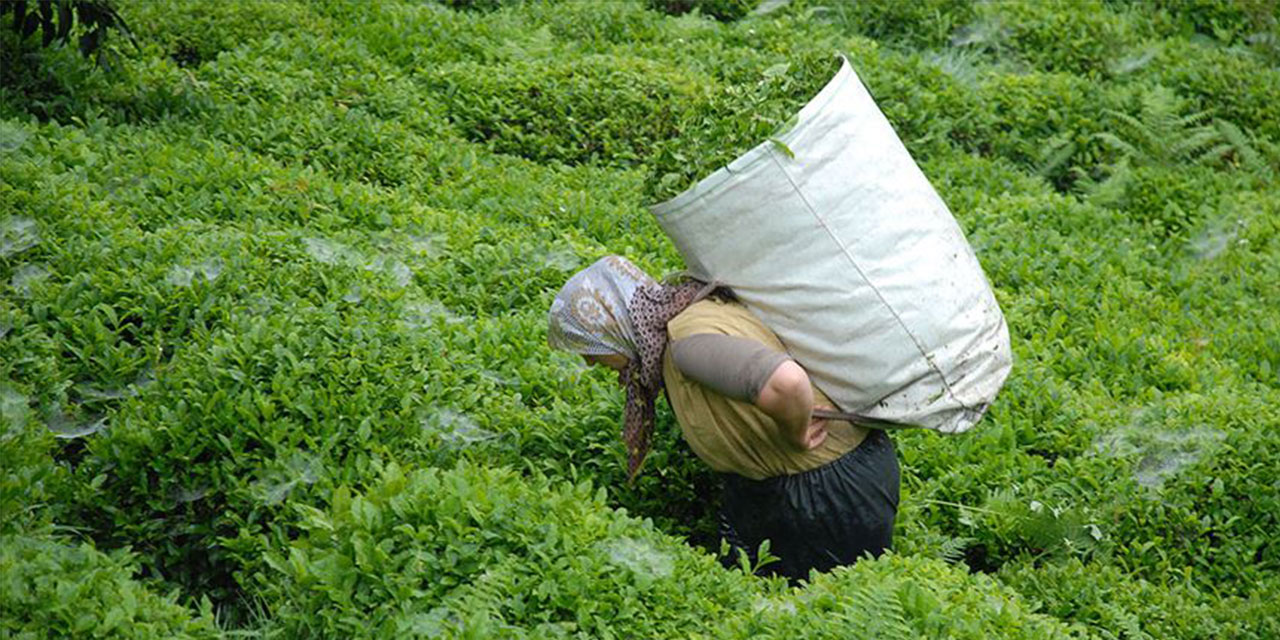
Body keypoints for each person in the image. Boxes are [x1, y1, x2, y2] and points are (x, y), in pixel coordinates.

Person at [547, 255, 900, 582]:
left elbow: (787, 382)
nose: (590, 363)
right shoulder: (678, 322)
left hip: (827, 494)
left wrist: (796, 433)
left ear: (612, 325)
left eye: (590, 349)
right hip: (780, 487)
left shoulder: (687, 343)